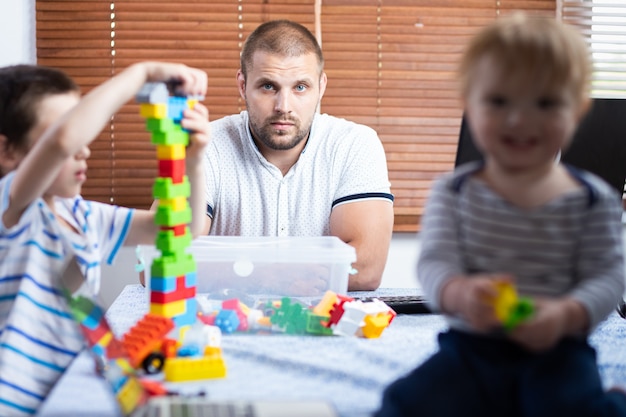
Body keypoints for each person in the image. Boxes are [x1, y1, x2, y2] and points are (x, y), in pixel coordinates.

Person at [375, 13, 626, 417]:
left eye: (544, 103)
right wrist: (460, 293)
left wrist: (567, 314)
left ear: (577, 110)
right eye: (498, 101)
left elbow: (608, 279)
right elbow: (436, 264)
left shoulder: (593, 199)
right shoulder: (453, 193)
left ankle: (614, 401)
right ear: (469, 105)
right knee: (402, 403)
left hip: (557, 352)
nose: (518, 119)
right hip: (474, 350)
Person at [0, 62, 209, 416]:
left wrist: (195, 162)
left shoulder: (83, 216)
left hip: (63, 394)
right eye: (63, 132)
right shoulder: (11, 209)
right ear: (8, 152)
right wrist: (142, 74)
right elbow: (64, 140)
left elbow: (181, 227)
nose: (83, 149)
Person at [198, 20, 394, 291]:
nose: (284, 107)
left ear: (321, 86)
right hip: (221, 326)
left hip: (323, 326)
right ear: (243, 86)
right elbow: (162, 266)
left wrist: (250, 274)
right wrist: (269, 277)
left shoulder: (354, 145)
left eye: (300, 87)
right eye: (268, 86)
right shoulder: (205, 146)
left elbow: (365, 269)